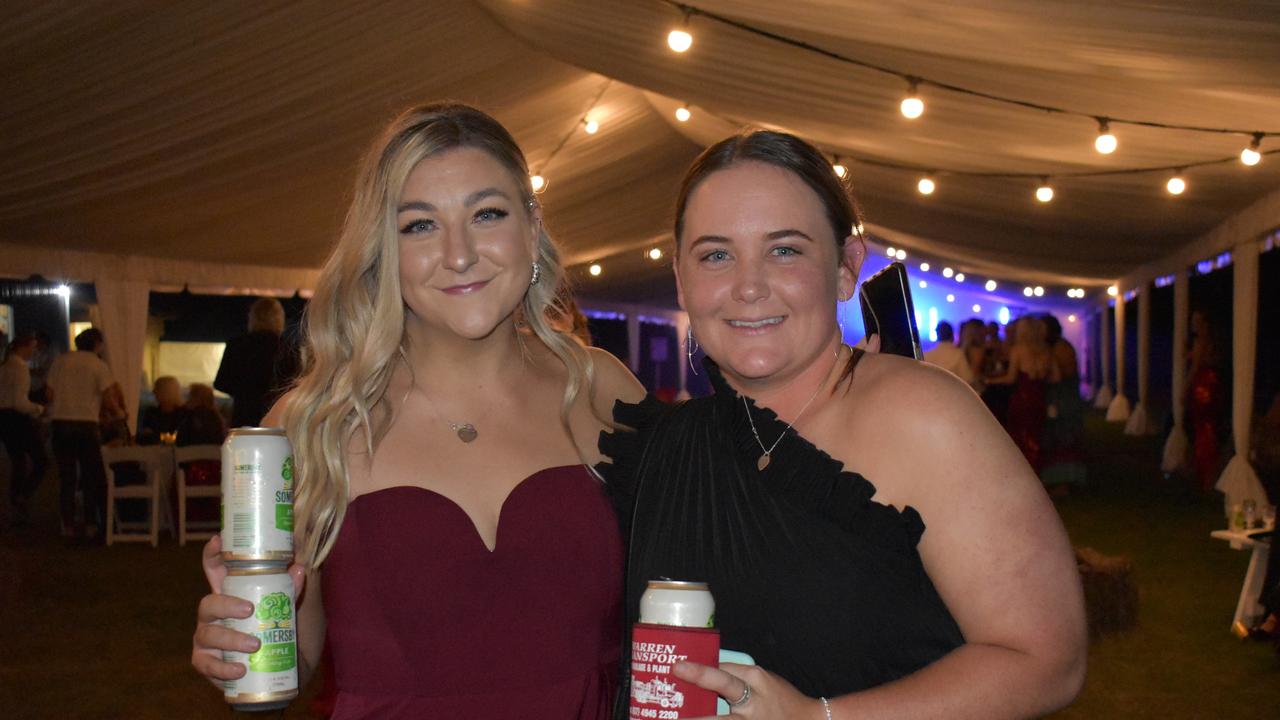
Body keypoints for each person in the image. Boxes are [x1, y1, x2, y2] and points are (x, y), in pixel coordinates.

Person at [598, 130, 1085, 718]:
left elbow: (1046, 661)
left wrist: (821, 718)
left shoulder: (924, 416)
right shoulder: (664, 446)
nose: (749, 287)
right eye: (716, 254)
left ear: (846, 266)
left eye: (785, 250)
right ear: (681, 278)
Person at [191, 103, 644, 718]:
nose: (459, 255)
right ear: (383, 250)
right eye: (419, 226)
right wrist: (239, 644)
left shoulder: (602, 389)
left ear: (531, 227)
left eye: (487, 214)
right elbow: (290, 665)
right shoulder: (311, 426)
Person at [47, 328, 121, 539]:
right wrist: (118, 413)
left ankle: (68, 524)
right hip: (86, 424)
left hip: (61, 423)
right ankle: (90, 523)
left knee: (67, 477)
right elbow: (108, 396)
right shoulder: (98, 365)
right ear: (97, 344)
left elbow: (49, 393)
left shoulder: (60, 361)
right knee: (90, 475)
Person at [214, 297, 300, 428]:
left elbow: (221, 383)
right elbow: (295, 384)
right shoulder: (288, 348)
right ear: (280, 318)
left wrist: (244, 391)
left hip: (244, 416)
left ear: (252, 318)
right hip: (278, 416)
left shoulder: (237, 345)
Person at [987, 316, 1058, 474]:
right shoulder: (1046, 350)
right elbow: (1056, 377)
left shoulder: (1018, 349)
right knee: (1036, 436)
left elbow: (1010, 378)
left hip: (1022, 398)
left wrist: (990, 381)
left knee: (1020, 438)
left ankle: (1024, 474)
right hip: (1039, 398)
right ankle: (1037, 472)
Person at [0, 333, 47, 526]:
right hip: (17, 419)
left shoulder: (5, 366)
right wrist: (38, 409)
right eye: (33, 347)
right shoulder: (20, 368)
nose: (34, 351)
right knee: (41, 461)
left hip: (3, 418)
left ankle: (16, 501)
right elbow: (19, 401)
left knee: (18, 461)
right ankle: (21, 496)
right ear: (24, 346)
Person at [1041, 315, 1087, 493]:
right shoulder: (1055, 347)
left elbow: (1063, 374)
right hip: (1059, 398)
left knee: (1064, 439)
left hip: (1064, 399)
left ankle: (1065, 482)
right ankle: (1058, 480)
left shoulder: (1061, 347)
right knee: (1056, 439)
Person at [1186, 309, 1227, 492]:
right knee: (1207, 427)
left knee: (1203, 427)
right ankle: (1207, 471)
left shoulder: (1201, 341)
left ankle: (1206, 473)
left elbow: (1196, 367)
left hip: (1203, 385)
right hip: (1212, 383)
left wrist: (1186, 387)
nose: (1192, 323)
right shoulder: (1209, 342)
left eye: (1196, 320)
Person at [137, 376, 187, 445]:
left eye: (157, 389)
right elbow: (144, 437)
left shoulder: (184, 413)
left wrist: (158, 436)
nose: (153, 392)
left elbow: (179, 437)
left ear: (167, 392)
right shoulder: (151, 412)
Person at [923, 321, 974, 387]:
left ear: (937, 335)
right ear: (952, 335)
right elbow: (968, 379)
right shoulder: (958, 354)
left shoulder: (926, 354)